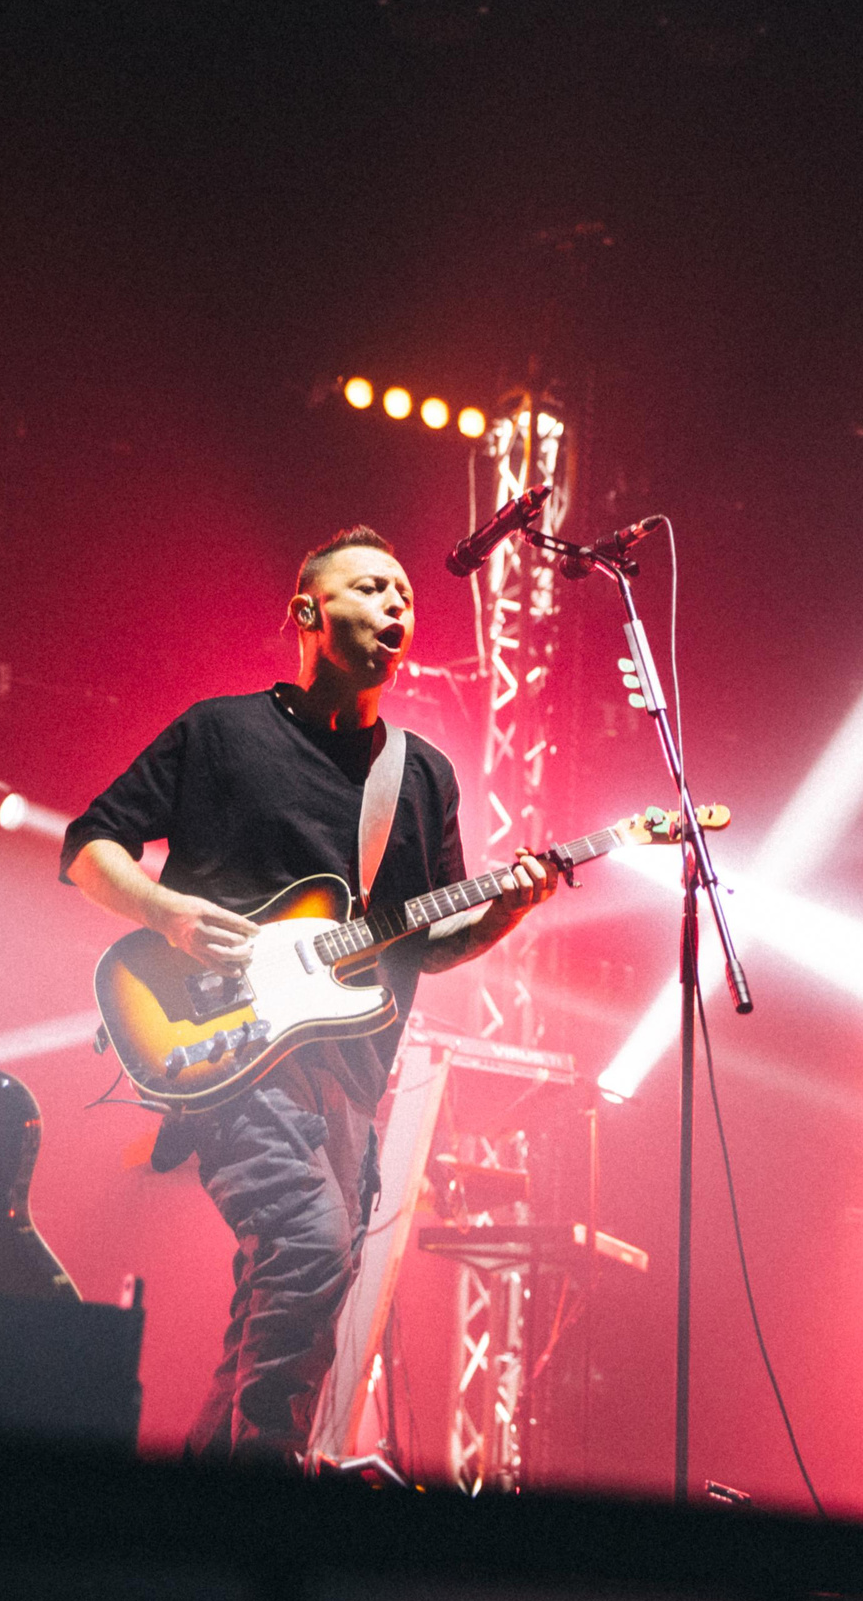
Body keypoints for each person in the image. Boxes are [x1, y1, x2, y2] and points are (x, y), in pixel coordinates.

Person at [62, 525, 558, 1461]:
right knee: (311, 1246)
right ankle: (269, 1492)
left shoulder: (419, 775)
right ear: (307, 612)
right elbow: (88, 845)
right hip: (228, 1049)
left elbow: (426, 940)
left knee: (286, 1292)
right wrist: (167, 913)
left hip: (354, 1073)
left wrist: (504, 914)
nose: (396, 606)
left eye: (406, 595)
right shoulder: (220, 733)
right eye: (371, 588)